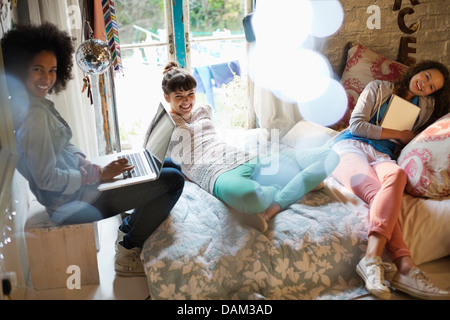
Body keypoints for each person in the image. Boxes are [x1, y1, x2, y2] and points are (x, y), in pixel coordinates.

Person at [2, 23, 185, 277]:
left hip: (79, 189)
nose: (47, 78)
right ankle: (128, 248)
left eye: (52, 70)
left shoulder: (36, 105)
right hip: (71, 203)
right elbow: (46, 179)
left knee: (169, 167)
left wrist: (85, 163)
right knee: (173, 180)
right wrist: (99, 176)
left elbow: (62, 143)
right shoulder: (34, 118)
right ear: (20, 68)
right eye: (37, 70)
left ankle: (130, 225)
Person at [161, 61, 340, 232]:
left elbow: (210, 138)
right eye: (179, 96)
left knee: (329, 156)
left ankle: (275, 205)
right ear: (166, 97)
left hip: (245, 159)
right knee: (254, 200)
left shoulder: (204, 110)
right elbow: (155, 160)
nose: (187, 101)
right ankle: (298, 183)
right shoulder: (164, 123)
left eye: (190, 94)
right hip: (216, 173)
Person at [330, 60, 450, 299]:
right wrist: (400, 134)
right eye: (426, 77)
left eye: (432, 87)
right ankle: (398, 264)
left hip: (383, 154)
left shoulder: (424, 107)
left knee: (397, 175)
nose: (425, 86)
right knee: (374, 190)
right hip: (350, 145)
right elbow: (357, 125)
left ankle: (381, 263)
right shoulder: (378, 87)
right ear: (417, 70)